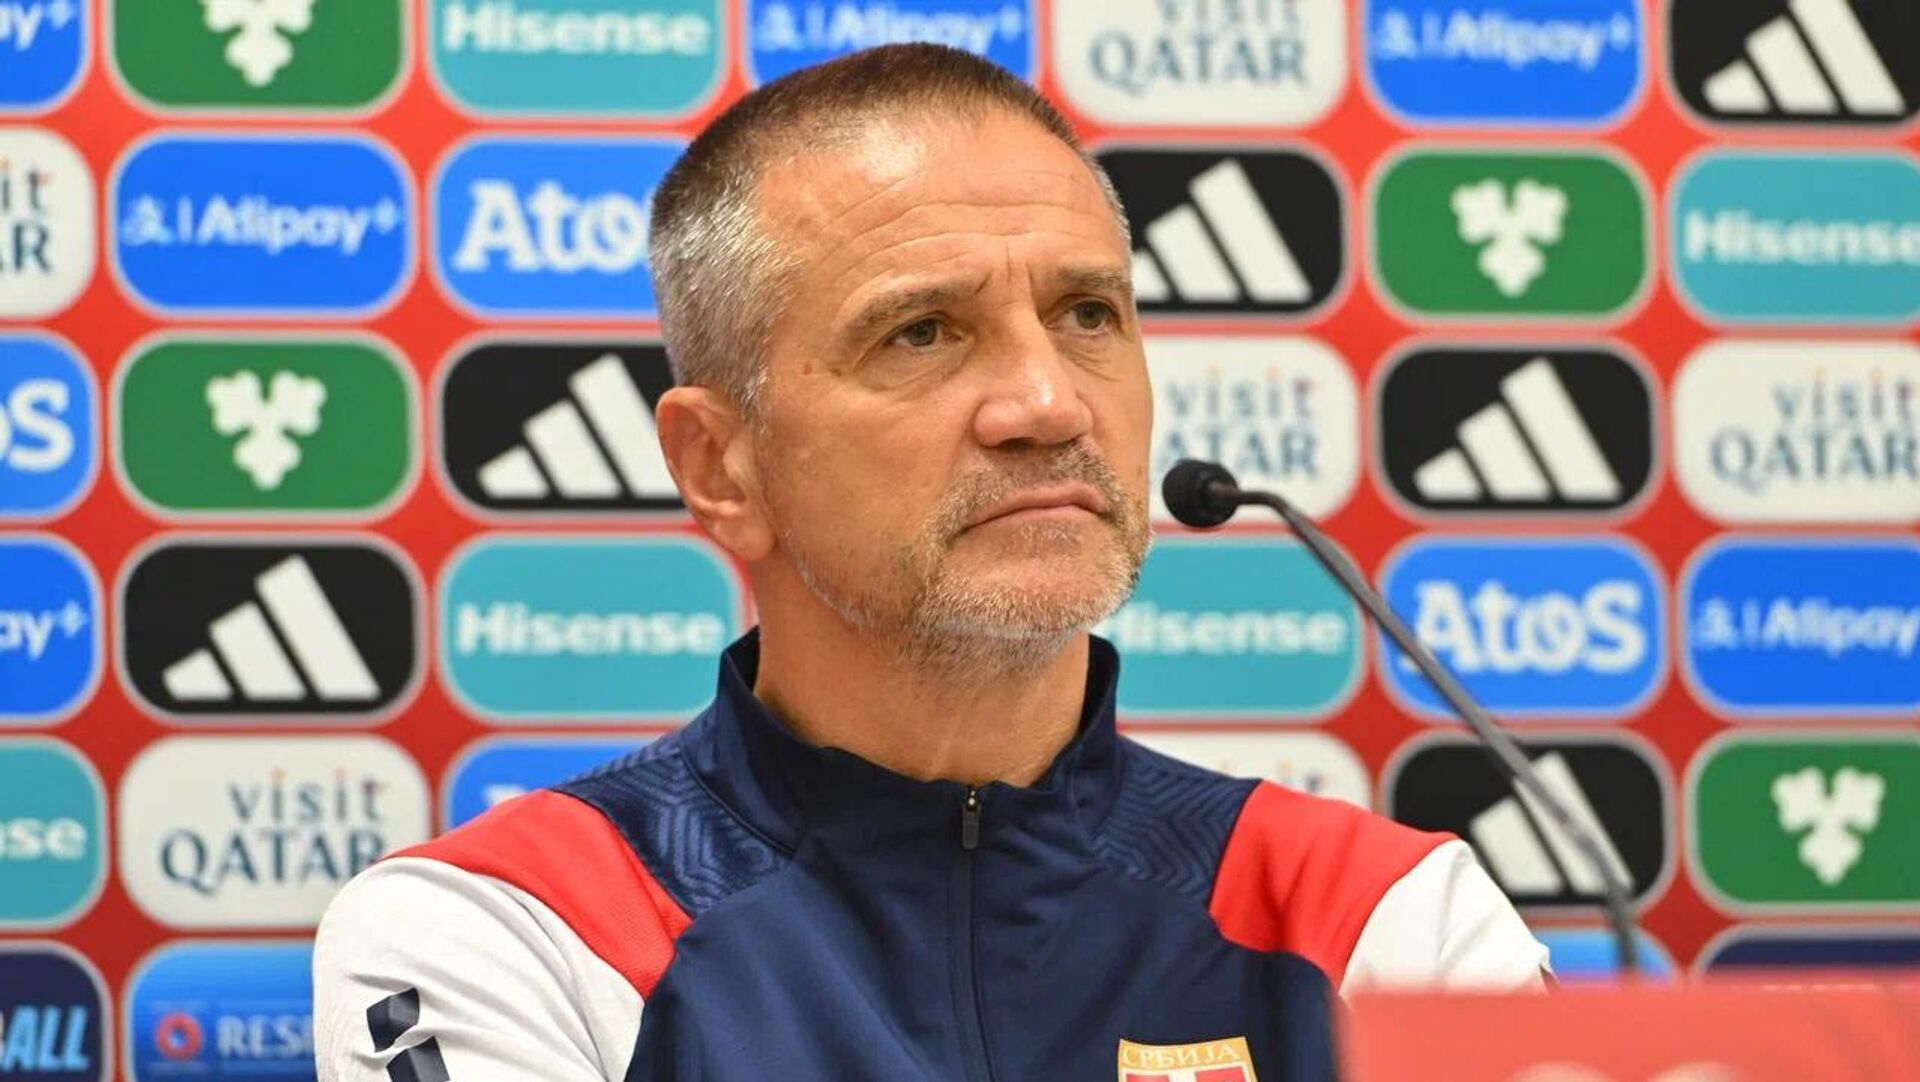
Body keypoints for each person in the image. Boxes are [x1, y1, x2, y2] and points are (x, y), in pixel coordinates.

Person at [314, 43, 1548, 1082]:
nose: (1047, 403)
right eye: (921, 332)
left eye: (1088, 314)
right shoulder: (511, 925)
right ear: (720, 466)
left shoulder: (1381, 916)